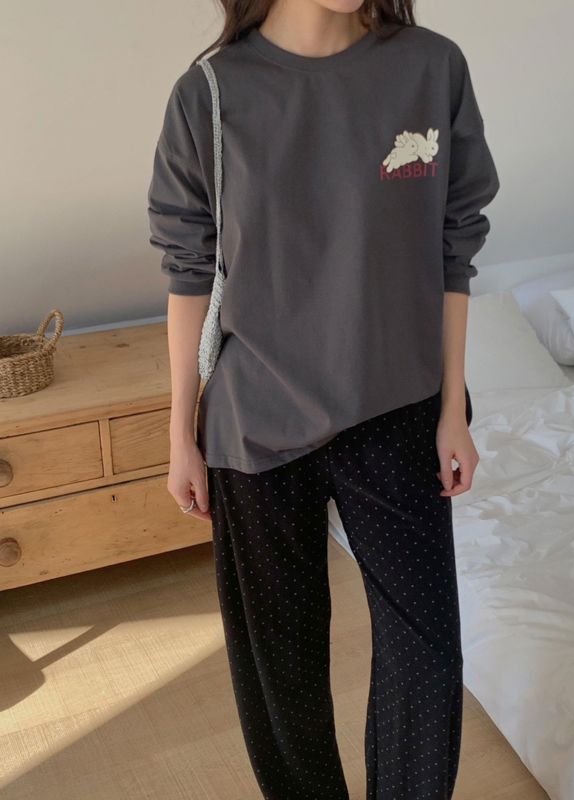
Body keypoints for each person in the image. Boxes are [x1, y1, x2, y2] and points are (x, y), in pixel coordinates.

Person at [147, 0, 500, 797]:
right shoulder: (209, 93)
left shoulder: (430, 67)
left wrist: (453, 410)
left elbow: (455, 245)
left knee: (426, 660)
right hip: (255, 424)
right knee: (282, 677)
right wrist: (180, 435)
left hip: (400, 411)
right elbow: (189, 271)